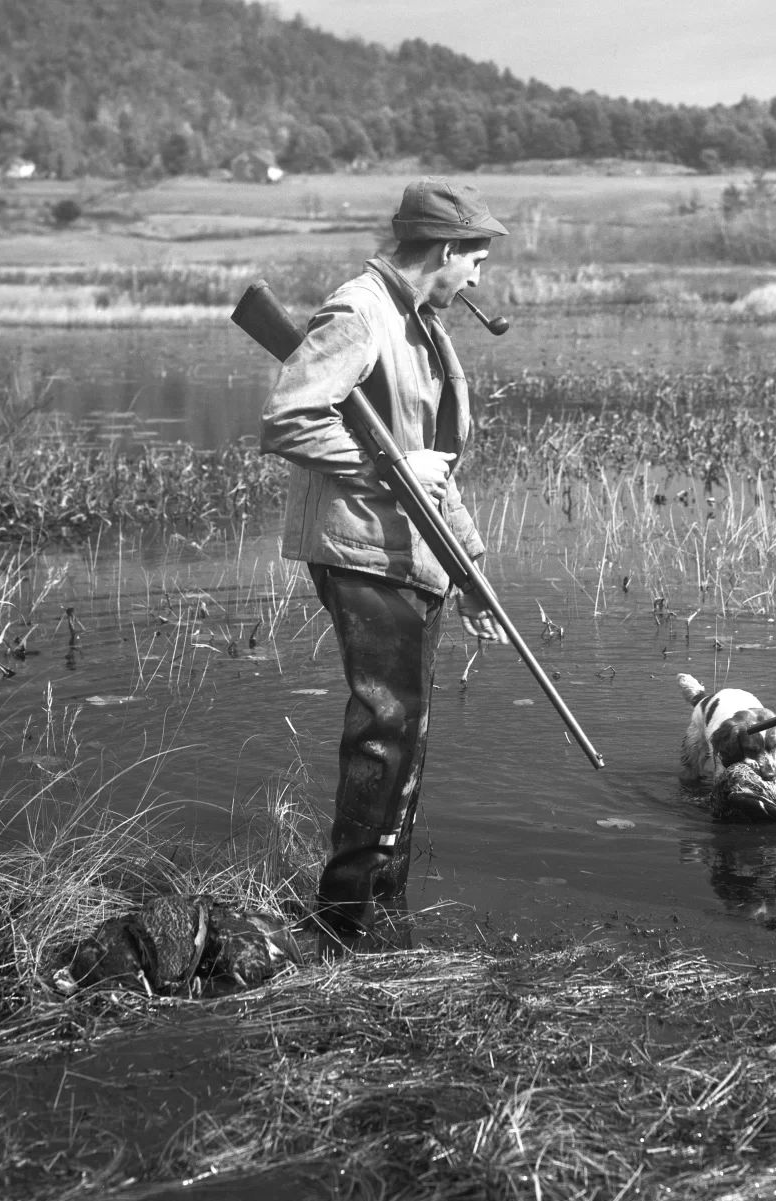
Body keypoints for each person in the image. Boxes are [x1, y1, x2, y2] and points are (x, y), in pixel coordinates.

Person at [261, 179, 510, 944]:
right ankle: (342, 914)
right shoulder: (360, 312)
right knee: (385, 721)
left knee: (408, 727)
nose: (478, 276)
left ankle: (383, 899)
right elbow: (289, 418)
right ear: (443, 250)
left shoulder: (423, 329)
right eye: (476, 257)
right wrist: (389, 465)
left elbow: (435, 473)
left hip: (411, 551)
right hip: (362, 548)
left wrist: (470, 572)